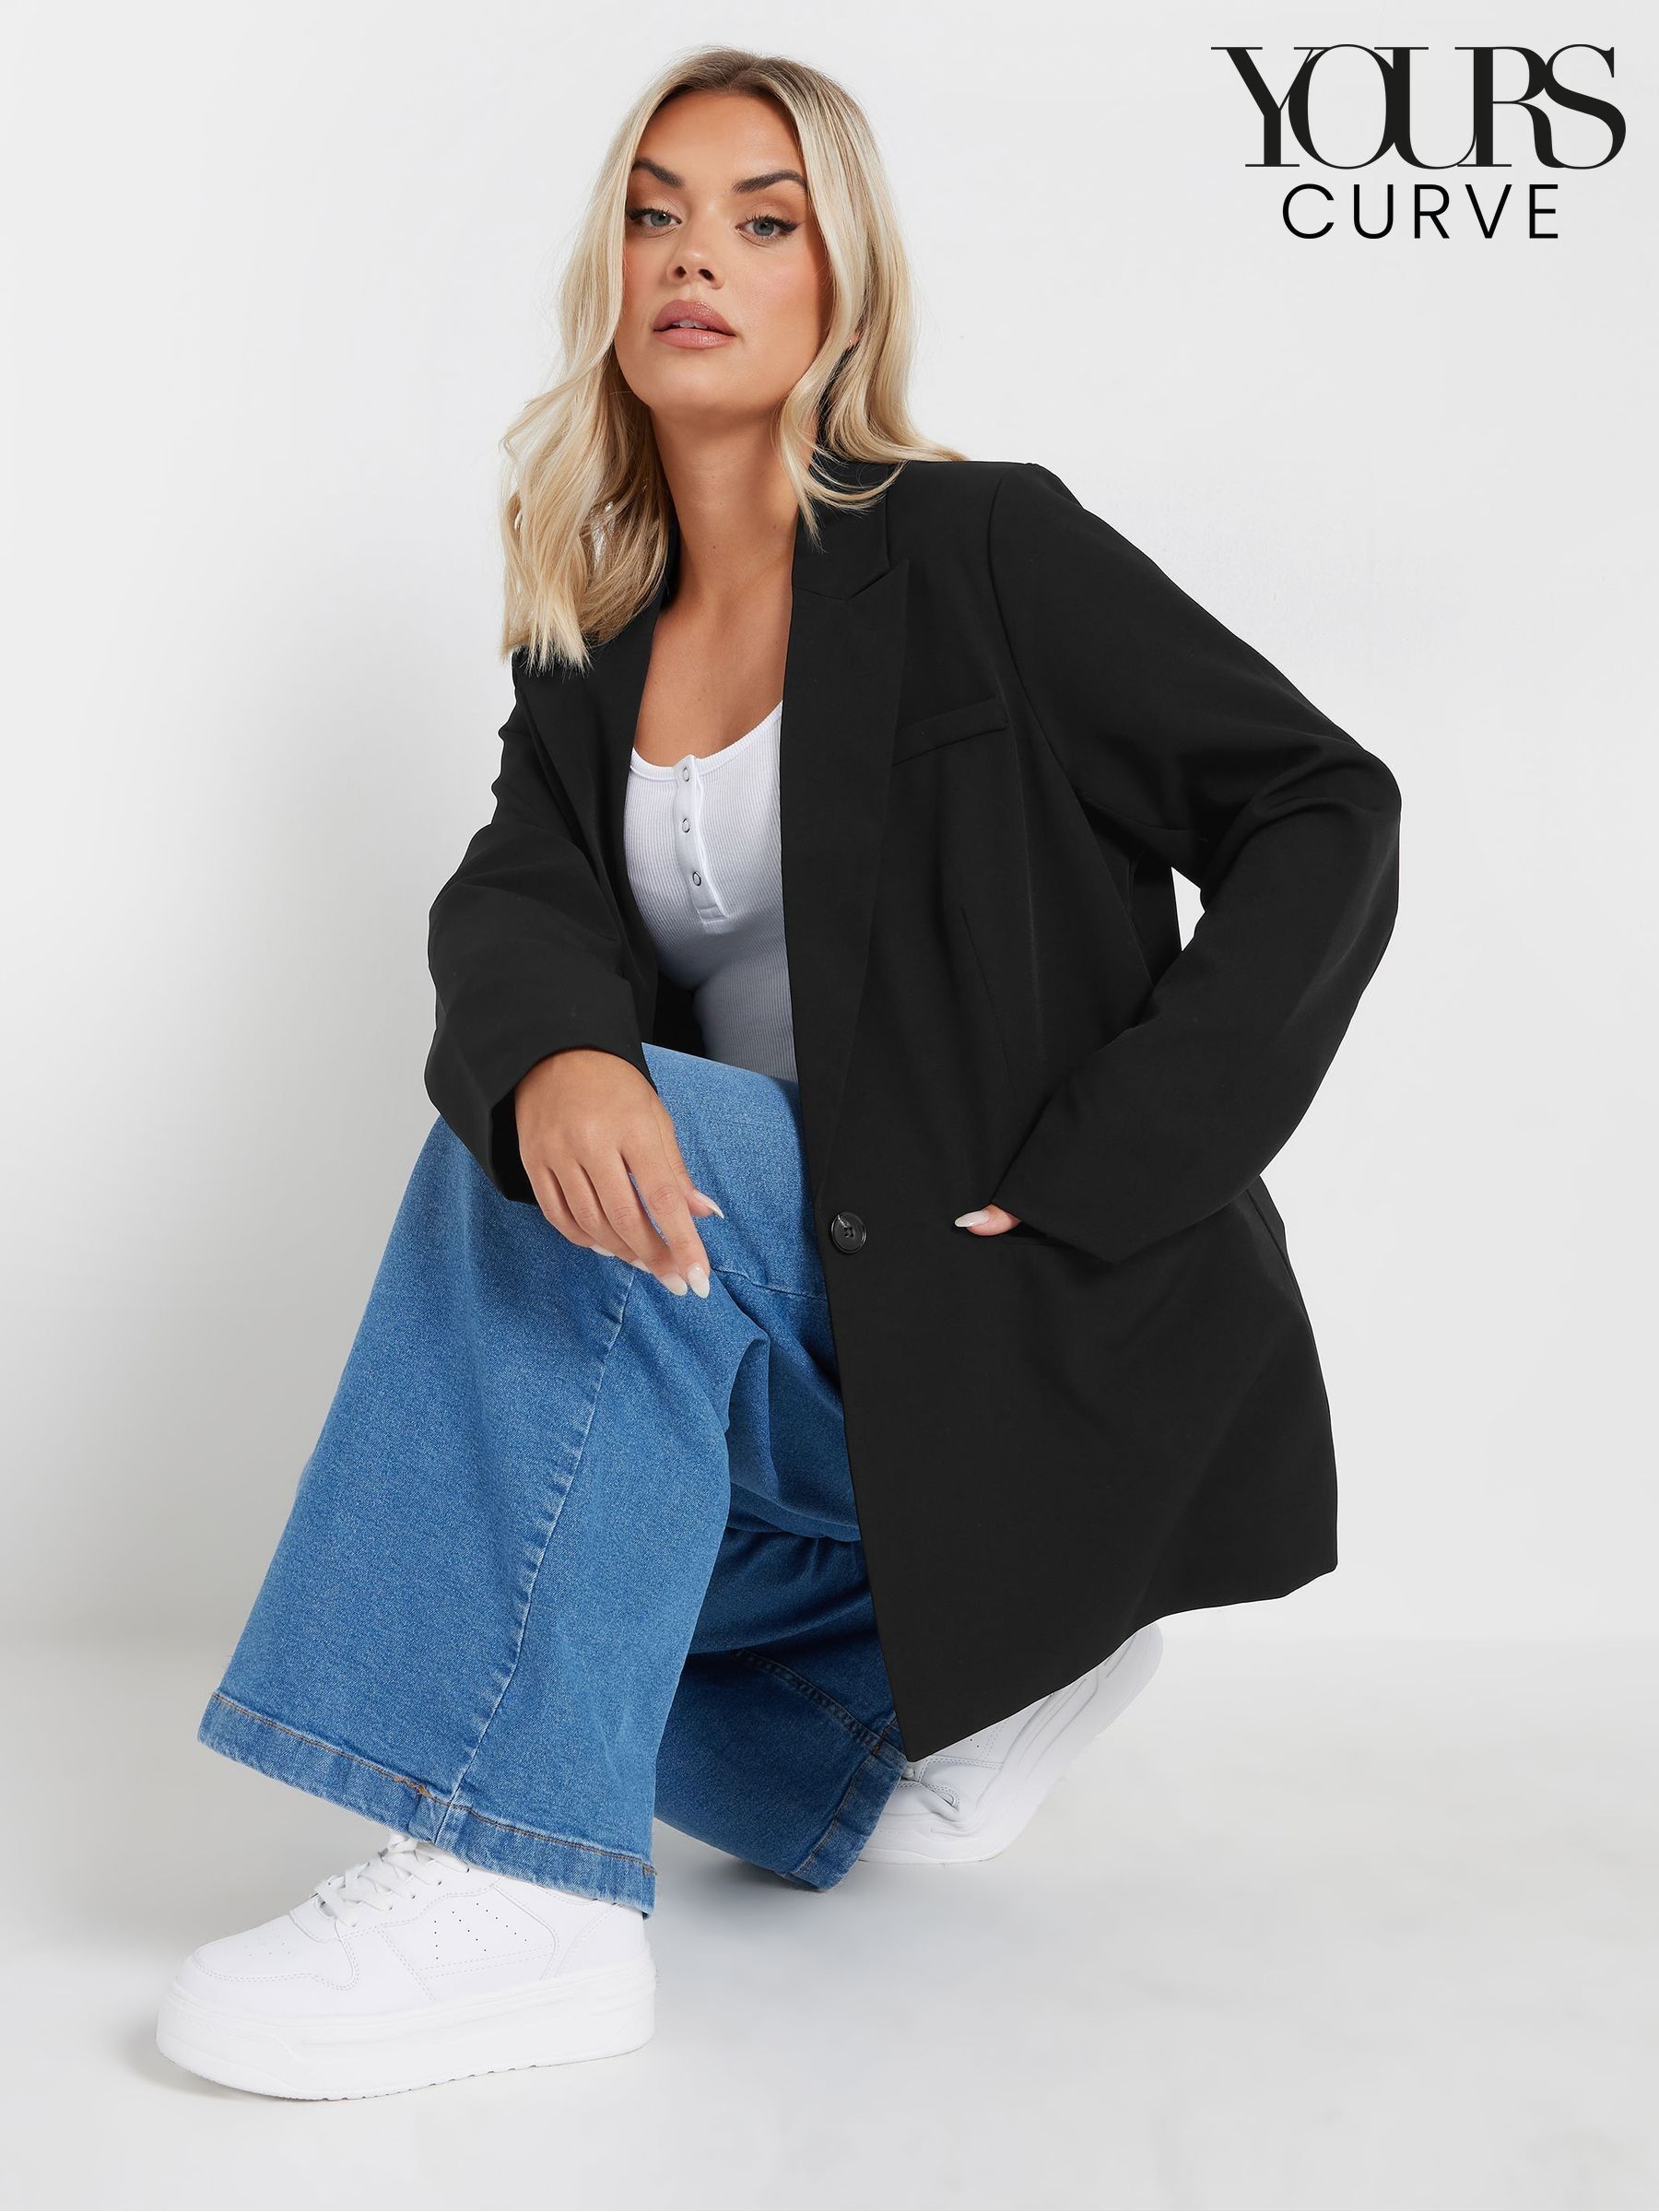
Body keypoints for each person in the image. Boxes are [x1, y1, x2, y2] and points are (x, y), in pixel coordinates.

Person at [157, 47, 1401, 2102]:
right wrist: (558, 1052)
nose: (694, 259)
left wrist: (1107, 1163)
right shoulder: (592, 639)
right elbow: (516, 899)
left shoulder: (988, 550)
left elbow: (1321, 807)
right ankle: (889, 1718)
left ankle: (525, 1894)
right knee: (547, 1263)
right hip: (810, 1342)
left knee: (570, 1197)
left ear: (843, 281)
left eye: (760, 218)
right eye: (654, 215)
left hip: (1012, 1299)